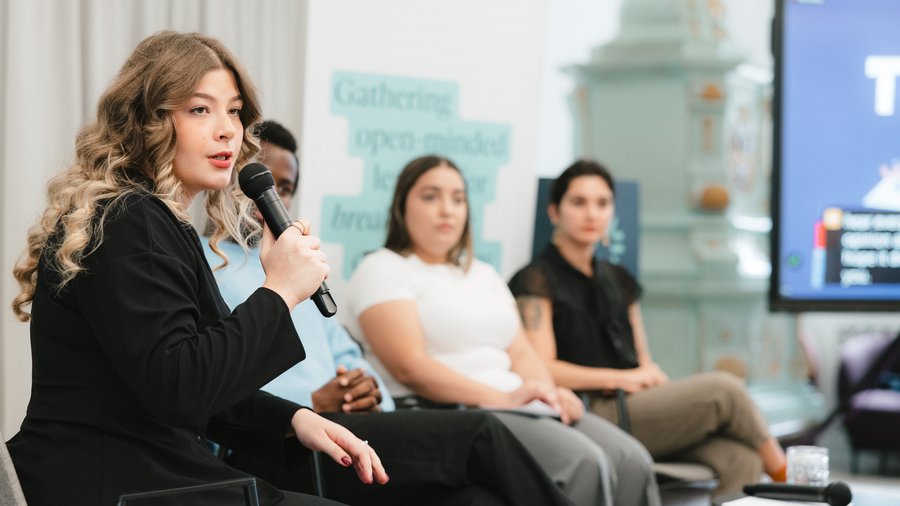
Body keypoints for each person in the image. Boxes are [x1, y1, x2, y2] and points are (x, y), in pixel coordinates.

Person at [6, 31, 387, 506]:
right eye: (200, 109)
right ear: (148, 121)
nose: (227, 129)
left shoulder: (152, 219)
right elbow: (183, 388)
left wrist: (296, 419)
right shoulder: (130, 219)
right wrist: (281, 291)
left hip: (135, 475)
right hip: (114, 483)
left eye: (234, 111)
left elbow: (197, 373)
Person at [204, 120, 573, 506]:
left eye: (285, 188)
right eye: (259, 186)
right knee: (480, 431)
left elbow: (345, 352)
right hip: (275, 440)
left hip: (349, 425)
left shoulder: (299, 263)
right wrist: (311, 400)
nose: (272, 200)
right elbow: (210, 383)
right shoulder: (205, 260)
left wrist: (369, 391)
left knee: (478, 500)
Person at [346, 155, 660, 506]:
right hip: (454, 411)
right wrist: (503, 398)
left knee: (632, 460)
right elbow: (410, 365)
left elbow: (520, 352)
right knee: (583, 462)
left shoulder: (484, 273)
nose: (447, 210)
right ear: (402, 206)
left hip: (517, 403)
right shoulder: (382, 268)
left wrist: (550, 393)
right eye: (431, 197)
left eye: (458, 199)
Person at [507, 159, 788, 494]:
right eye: (578, 202)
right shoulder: (536, 280)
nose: (591, 214)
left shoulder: (619, 279)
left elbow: (642, 361)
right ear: (554, 212)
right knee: (725, 390)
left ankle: (783, 482)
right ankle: (792, 481)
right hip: (586, 409)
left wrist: (650, 381)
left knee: (741, 459)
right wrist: (620, 378)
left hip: (636, 406)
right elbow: (543, 370)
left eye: (602, 203)